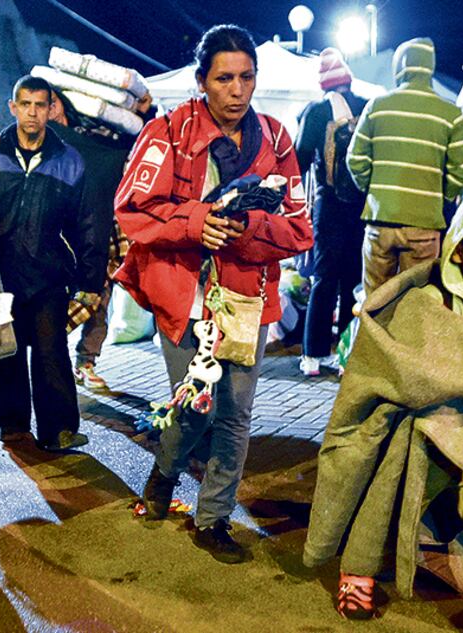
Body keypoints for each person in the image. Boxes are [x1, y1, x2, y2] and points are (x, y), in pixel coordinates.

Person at [303, 182, 463, 633]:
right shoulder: (423, 300)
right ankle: (358, 572)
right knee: (380, 497)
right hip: (414, 430)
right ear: (458, 249)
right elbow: (400, 367)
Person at [115, 25, 312, 563]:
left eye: (247, 77)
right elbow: (131, 212)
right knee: (194, 407)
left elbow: (300, 229)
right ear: (202, 81)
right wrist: (196, 222)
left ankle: (213, 519)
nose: (237, 89)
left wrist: (246, 226)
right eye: (225, 78)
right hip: (184, 294)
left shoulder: (276, 139)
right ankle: (163, 473)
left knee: (236, 414)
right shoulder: (167, 132)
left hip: (251, 298)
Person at [0, 75, 100, 452]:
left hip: (48, 274)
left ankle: (59, 429)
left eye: (40, 105)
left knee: (51, 351)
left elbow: (87, 224)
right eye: (25, 104)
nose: (32, 113)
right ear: (13, 107)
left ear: (51, 109)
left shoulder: (69, 159)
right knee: (8, 350)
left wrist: (91, 281)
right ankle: (12, 424)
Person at [47, 87, 153, 390]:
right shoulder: (44, 144)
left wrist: (147, 113)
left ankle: (86, 362)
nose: (45, 111)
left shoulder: (93, 134)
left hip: (101, 229)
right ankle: (49, 357)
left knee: (100, 298)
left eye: (50, 104)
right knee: (66, 300)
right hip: (64, 237)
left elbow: (129, 143)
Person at [347, 37, 463, 297]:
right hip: (424, 225)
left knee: (375, 302)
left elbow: (355, 160)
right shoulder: (451, 114)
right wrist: (438, 197)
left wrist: (376, 191)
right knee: (416, 304)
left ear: (398, 68)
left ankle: (373, 338)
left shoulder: (377, 107)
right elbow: (461, 171)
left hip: (380, 220)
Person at [294, 48, 367, 376]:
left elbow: (300, 159)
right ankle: (346, 355)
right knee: (353, 279)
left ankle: (312, 355)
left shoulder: (318, 110)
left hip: (329, 205)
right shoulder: (366, 107)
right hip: (361, 206)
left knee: (324, 278)